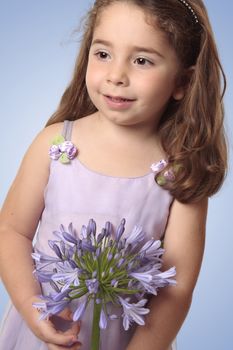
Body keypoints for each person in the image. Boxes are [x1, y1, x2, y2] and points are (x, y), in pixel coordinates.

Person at [0, 0, 228, 349]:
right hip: (43, 336)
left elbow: (176, 289)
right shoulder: (55, 143)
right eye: (103, 54)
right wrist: (36, 313)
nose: (116, 75)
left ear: (182, 81)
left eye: (142, 60)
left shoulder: (179, 173)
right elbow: (11, 231)